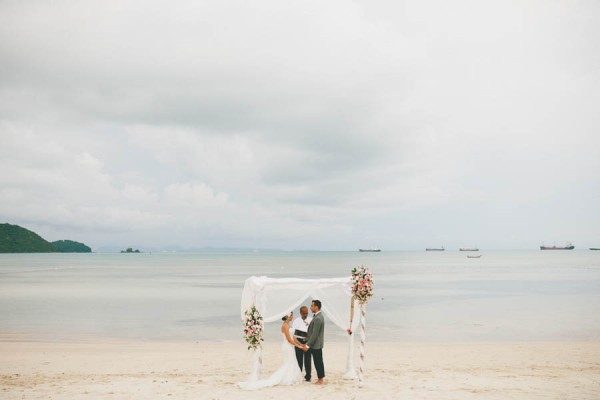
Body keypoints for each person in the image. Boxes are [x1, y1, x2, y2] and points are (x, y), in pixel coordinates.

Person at [238, 312, 302, 390]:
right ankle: (287, 378)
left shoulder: (289, 325)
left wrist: (301, 344)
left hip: (291, 346)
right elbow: (289, 340)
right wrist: (299, 347)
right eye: (292, 315)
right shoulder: (284, 326)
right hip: (287, 346)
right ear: (288, 316)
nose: (293, 316)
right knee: (289, 361)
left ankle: (292, 376)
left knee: (292, 361)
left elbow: (293, 337)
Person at [302, 300, 325, 385]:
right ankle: (317, 378)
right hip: (315, 344)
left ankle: (320, 380)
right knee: (317, 361)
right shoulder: (317, 316)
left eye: (312, 306)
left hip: (316, 345)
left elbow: (315, 334)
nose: (310, 307)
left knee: (318, 362)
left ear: (316, 307)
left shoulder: (318, 318)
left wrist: (307, 345)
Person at [292, 306, 312, 381]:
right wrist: (299, 343)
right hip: (298, 340)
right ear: (300, 313)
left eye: (306, 313)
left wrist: (308, 342)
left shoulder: (311, 320)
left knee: (308, 359)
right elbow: (293, 333)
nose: (305, 314)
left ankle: (308, 376)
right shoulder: (296, 321)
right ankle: (298, 375)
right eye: (304, 313)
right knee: (299, 359)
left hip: (308, 340)